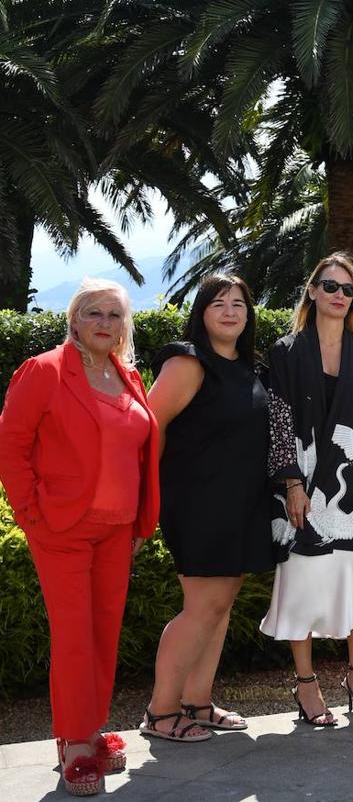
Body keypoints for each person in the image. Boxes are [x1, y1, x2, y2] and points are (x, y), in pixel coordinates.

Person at [0, 279, 157, 796]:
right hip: (62, 528)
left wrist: (139, 522)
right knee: (73, 638)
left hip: (116, 531)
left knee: (102, 634)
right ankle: (75, 744)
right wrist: (31, 515)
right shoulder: (43, 371)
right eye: (94, 313)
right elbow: (12, 445)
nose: (105, 323)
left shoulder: (126, 374)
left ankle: (88, 730)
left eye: (114, 315)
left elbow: (136, 453)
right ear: (74, 319)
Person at [259, 254, 353, 726]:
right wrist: (292, 484)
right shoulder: (286, 351)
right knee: (301, 588)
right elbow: (277, 419)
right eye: (330, 286)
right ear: (313, 291)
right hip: (300, 491)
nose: (339, 295)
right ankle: (306, 685)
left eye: (348, 289)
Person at [141, 274, 275, 741]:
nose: (230, 311)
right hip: (198, 504)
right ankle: (160, 713)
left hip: (241, 504)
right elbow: (149, 427)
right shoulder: (187, 362)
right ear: (201, 312)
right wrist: (148, 495)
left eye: (239, 303)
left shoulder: (248, 367)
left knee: (219, 607)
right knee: (202, 607)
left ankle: (197, 702)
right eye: (219, 303)